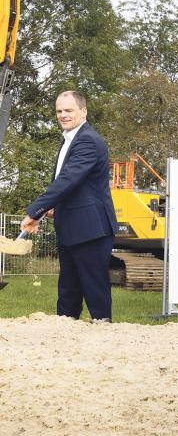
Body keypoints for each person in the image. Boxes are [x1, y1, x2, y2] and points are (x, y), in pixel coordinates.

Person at [20, 91, 118, 322]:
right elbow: (75, 186)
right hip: (72, 227)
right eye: (59, 111)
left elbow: (68, 180)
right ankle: (64, 341)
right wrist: (53, 208)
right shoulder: (69, 139)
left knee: (95, 292)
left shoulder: (88, 140)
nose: (63, 115)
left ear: (83, 111)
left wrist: (35, 210)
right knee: (68, 291)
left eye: (68, 110)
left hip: (92, 229)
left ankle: (106, 339)